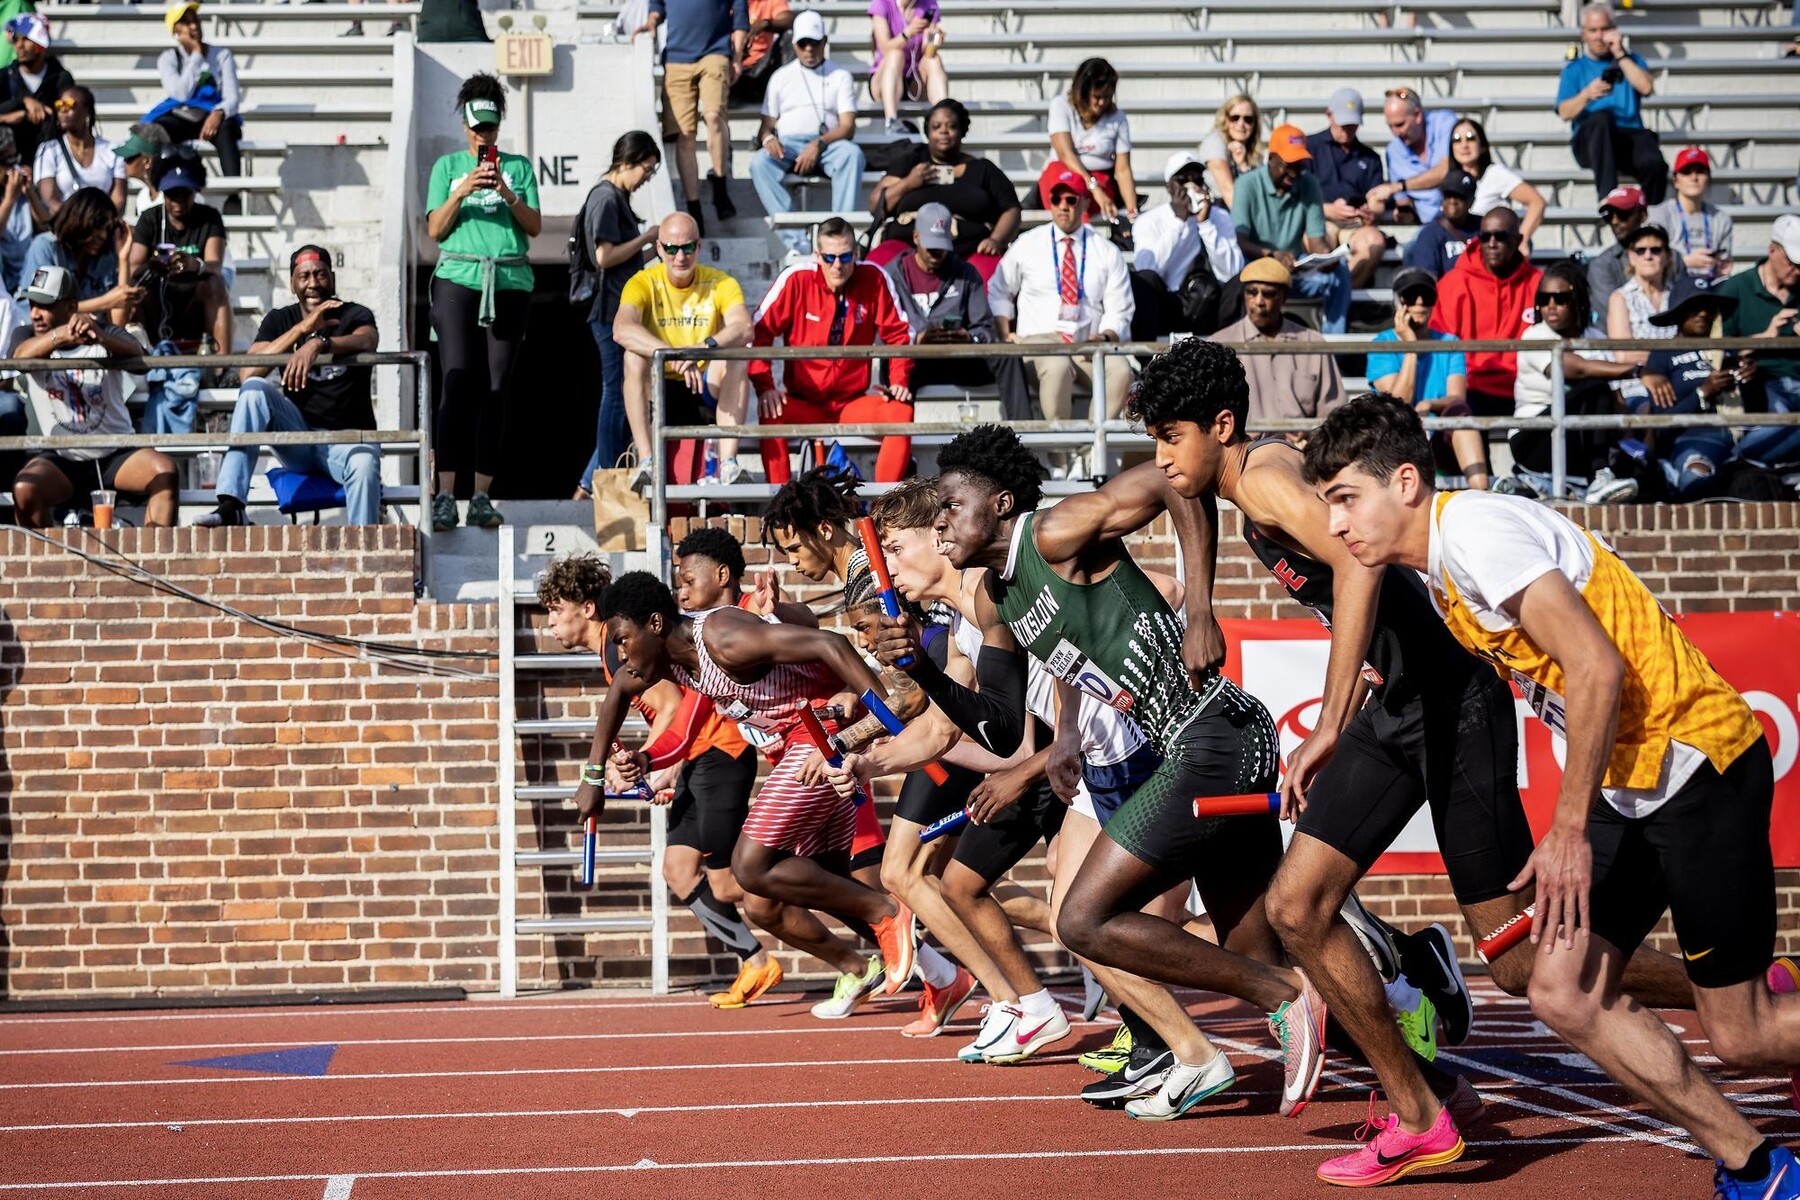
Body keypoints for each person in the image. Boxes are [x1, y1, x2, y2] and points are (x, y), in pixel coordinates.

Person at [1305, 394, 1800, 1200]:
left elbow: (1597, 666)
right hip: (1628, 779)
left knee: (1741, 1035)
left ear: (1403, 482)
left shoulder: (1475, 537)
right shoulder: (1440, 578)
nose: (1335, 526)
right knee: (1559, 987)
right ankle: (1756, 1165)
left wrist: (1566, 827)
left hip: (1694, 762)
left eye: (1344, 499)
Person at [871, 423, 1331, 1122]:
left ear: (999, 502)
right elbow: (997, 725)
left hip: (1217, 734)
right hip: (1185, 750)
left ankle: (1278, 1003)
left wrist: (1201, 607)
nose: (938, 527)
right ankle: (1405, 1034)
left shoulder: (1057, 531)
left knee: (1083, 918)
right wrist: (923, 669)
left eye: (948, 509)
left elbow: (1174, 484)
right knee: (1254, 942)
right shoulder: (1000, 597)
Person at [581, 571, 921, 1006]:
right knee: (828, 875)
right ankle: (941, 972)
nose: (622, 654)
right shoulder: (672, 661)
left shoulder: (723, 637)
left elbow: (830, 644)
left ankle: (888, 912)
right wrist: (595, 778)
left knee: (750, 866)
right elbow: (617, 696)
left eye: (625, 639)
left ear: (656, 624)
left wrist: (884, 720)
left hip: (820, 733)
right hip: (802, 740)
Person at [542, 544, 781, 1011]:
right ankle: (754, 960)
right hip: (695, 756)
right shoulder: (616, 653)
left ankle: (849, 928)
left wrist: (658, 764)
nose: (550, 623)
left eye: (556, 611)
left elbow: (676, 703)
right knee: (678, 870)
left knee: (733, 884)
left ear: (588, 609)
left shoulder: (620, 648)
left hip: (717, 747)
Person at [194, 245, 382, 528]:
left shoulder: (354, 314)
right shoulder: (280, 319)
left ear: (332, 278)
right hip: (300, 440)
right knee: (255, 389)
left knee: (365, 463)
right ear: (293, 283)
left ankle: (366, 553)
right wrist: (301, 330)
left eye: (320, 275)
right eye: (304, 276)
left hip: (347, 442)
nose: (313, 283)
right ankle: (231, 504)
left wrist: (320, 344)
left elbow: (368, 340)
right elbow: (248, 373)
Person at [424, 73, 540, 532]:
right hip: (459, 275)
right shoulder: (447, 167)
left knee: (496, 390)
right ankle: (444, 495)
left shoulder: (520, 168)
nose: (481, 137)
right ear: (464, 125)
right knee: (457, 382)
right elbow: (434, 230)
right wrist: (464, 189)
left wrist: (506, 192)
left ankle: (481, 495)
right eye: (475, 128)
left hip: (509, 278)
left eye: (489, 129)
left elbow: (533, 226)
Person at [10, 264, 178, 529]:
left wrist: (99, 337)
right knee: (25, 488)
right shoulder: (26, 336)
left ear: (71, 307)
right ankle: (46, 567)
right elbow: (17, 359)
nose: (35, 314)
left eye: (45, 306)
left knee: (165, 472)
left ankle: (152, 560)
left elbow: (141, 361)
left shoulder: (105, 331)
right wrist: (60, 335)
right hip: (62, 459)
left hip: (115, 454)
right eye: (31, 304)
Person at [750, 217, 915, 484]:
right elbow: (759, 330)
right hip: (804, 401)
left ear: (856, 253)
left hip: (851, 401)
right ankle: (782, 507)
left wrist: (898, 381)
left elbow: (898, 333)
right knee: (770, 412)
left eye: (845, 256)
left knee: (902, 413)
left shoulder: (873, 277)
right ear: (817, 255)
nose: (837, 265)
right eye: (829, 257)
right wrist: (765, 386)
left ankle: (883, 509)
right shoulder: (797, 279)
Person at [988, 167, 1133, 453]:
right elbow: (999, 289)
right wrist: (1006, 332)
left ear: (1083, 202)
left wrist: (1105, 336)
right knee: (1056, 366)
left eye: (1071, 200)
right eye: (1057, 200)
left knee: (1121, 371)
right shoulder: (1028, 243)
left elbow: (1120, 306)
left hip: (1087, 343)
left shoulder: (1105, 250)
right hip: (1040, 341)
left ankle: (1092, 452)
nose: (1063, 207)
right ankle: (1060, 455)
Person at [613, 211, 753, 487]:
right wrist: (672, 354)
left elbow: (744, 327)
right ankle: (647, 460)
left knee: (737, 357)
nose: (680, 257)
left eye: (688, 247)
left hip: (702, 384)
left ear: (698, 246)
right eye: (672, 248)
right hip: (658, 386)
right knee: (633, 357)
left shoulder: (720, 282)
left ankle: (728, 463)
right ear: (658, 248)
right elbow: (621, 329)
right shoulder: (642, 282)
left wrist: (699, 350)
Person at [570, 131, 661, 497]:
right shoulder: (606, 198)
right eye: (647, 170)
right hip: (608, 309)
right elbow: (605, 257)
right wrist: (647, 236)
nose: (646, 179)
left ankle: (588, 483)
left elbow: (626, 261)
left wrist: (660, 249)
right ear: (629, 161)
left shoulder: (616, 197)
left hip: (617, 305)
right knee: (617, 393)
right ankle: (606, 475)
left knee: (630, 396)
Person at [1509, 259, 1646, 501]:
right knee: (1594, 385)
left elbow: (1616, 398)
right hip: (1533, 437)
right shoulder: (1534, 335)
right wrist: (1637, 371)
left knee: (1643, 470)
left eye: (1560, 299)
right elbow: (1575, 369)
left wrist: (1630, 444)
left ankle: (1600, 477)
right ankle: (1598, 476)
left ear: (1578, 301)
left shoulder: (1595, 337)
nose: (1550, 306)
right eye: (1543, 299)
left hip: (1576, 438)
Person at [749, 10, 865, 257]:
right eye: (803, 43)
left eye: (814, 42)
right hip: (789, 146)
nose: (809, 49)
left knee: (851, 155)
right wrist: (769, 139)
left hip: (828, 146)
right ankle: (797, 242)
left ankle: (839, 235)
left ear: (825, 42)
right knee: (760, 163)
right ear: (795, 44)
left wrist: (818, 144)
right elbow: (765, 127)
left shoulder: (840, 75)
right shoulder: (781, 77)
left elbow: (847, 126)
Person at [867, 98, 1021, 282]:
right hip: (906, 245)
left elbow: (1011, 209)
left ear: (962, 131)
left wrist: (996, 240)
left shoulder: (983, 169)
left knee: (991, 273)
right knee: (876, 267)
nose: (943, 131)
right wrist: (909, 182)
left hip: (968, 249)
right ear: (928, 132)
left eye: (952, 126)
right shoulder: (910, 162)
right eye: (936, 126)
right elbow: (875, 204)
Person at [1368, 266, 1488, 489]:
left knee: (1460, 413)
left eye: (1427, 297)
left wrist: (1428, 403)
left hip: (1439, 435)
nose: (1420, 303)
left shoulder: (1449, 342)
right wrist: (1411, 348)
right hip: (1398, 435)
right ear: (1399, 303)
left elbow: (1457, 397)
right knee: (1396, 419)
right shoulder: (1381, 344)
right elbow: (1397, 401)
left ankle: (1482, 491)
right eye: (1412, 297)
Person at [1231, 124, 1351, 335]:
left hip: (1294, 269)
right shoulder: (1246, 184)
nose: (1294, 171)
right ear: (1272, 158)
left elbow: (1317, 241)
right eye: (1289, 164)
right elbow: (1240, 240)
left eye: (1300, 164)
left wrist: (1326, 258)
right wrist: (1272, 256)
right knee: (1238, 270)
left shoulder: (1309, 184)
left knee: (1339, 273)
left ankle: (1334, 348)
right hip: (1255, 267)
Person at [638, 0, 746, 232]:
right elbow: (656, 7)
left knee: (714, 116)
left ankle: (720, 184)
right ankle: (694, 205)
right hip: (677, 58)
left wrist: (736, 57)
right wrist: (651, 23)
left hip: (715, 52)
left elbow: (740, 16)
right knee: (684, 134)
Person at [1638, 274, 1743, 500]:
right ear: (1678, 313)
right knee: (1696, 474)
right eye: (1694, 308)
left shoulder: (1728, 349)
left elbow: (1751, 403)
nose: (1703, 313)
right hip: (1689, 439)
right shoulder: (1661, 355)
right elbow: (1661, 425)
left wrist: (1749, 377)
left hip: (1733, 435)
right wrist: (1703, 393)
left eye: (1708, 307)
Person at [1209, 258, 1343, 434]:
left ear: (1284, 296)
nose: (1258, 301)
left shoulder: (1313, 343)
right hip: (1244, 455)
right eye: (1251, 292)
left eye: (1268, 294)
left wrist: (1311, 436)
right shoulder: (1219, 346)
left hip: (1301, 453)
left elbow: (1334, 413)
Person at [1429, 205, 1541, 416]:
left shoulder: (1538, 284)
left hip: (1524, 387)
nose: (1491, 243)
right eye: (1485, 236)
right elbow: (1438, 344)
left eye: (1500, 236)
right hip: (1469, 386)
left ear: (1518, 240)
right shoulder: (1452, 284)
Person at [1557, 1, 1665, 205]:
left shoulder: (1631, 60)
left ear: (1614, 31)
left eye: (1605, 29)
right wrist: (1586, 94)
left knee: (1654, 162)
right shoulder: (1574, 69)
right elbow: (1564, 112)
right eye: (1593, 30)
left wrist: (1620, 54)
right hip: (1591, 142)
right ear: (1584, 34)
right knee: (1601, 118)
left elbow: (1646, 88)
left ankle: (1651, 219)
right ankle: (1608, 201)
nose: (1599, 36)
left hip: (1628, 136)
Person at [881, 201, 997, 390]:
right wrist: (916, 339)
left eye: (941, 246)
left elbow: (985, 330)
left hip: (957, 359)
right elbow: (881, 335)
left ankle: (1019, 419)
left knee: (1008, 360)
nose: (936, 253)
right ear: (916, 238)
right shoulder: (891, 276)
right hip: (912, 359)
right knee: (896, 368)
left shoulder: (966, 274)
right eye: (931, 246)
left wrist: (968, 337)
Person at [1128, 150, 1243, 339]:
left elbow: (1233, 270)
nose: (1191, 187)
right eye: (1182, 180)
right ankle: (1146, 359)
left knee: (1244, 280)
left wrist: (1205, 224)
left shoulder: (1219, 217)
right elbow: (1147, 270)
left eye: (1197, 180)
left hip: (1210, 303)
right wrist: (1179, 222)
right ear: (1169, 186)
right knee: (1143, 281)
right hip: (1169, 303)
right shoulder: (1150, 220)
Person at [1718, 213, 1800, 472]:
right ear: (1772, 251)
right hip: (1761, 381)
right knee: (1780, 420)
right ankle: (1738, 459)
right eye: (1792, 262)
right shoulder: (1736, 288)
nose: (1798, 270)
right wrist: (1767, 336)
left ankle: (1750, 462)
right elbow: (1717, 352)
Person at [144, 2, 245, 182]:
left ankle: (234, 193)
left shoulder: (222, 55)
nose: (193, 26)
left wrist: (218, 112)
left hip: (213, 117)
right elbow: (180, 94)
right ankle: (159, 187)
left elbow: (233, 98)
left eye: (195, 20)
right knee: (157, 130)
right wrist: (197, 55)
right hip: (184, 117)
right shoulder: (168, 58)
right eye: (186, 22)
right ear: (175, 31)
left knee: (227, 128)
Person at [1303, 89, 1388, 288]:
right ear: (1329, 115)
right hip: (1321, 219)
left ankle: (1340, 294)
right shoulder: (1310, 148)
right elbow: (1298, 195)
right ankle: (1334, 295)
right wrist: (1328, 209)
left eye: (1352, 124)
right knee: (1320, 245)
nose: (1348, 129)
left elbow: (1377, 200)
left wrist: (1370, 212)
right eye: (1343, 123)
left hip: (1356, 224)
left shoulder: (1370, 157)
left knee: (1374, 243)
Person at [18, 187, 139, 324]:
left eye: (108, 228)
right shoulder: (45, 247)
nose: (102, 236)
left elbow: (118, 323)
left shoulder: (105, 257)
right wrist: (104, 302)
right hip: (44, 336)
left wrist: (124, 258)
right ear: (79, 218)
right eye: (98, 225)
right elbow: (42, 310)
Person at [1045, 58, 1135, 224]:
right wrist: (1093, 188)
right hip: (1065, 177)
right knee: (1071, 196)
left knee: (1079, 199)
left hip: (1101, 181)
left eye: (1107, 97)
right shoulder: (1061, 105)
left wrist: (1132, 211)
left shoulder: (1118, 118)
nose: (1102, 102)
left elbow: (1123, 170)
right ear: (1083, 91)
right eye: (1097, 96)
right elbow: (1065, 154)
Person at [1588, 184, 1685, 315]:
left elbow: (1683, 304)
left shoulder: (1673, 256)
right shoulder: (1601, 265)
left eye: (1622, 214)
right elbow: (1612, 315)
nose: (1615, 221)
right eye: (1609, 215)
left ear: (1643, 215)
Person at [1448, 116, 1546, 247]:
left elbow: (1537, 202)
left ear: (1482, 146)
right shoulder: (1448, 179)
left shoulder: (1495, 174)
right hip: (1459, 249)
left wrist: (1521, 241)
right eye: (1457, 140)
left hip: (1494, 250)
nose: (1464, 145)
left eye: (1470, 138)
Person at [33, 86, 127, 219]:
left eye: (70, 105)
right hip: (65, 228)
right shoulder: (48, 150)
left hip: (103, 228)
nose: (63, 110)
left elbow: (119, 199)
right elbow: (49, 202)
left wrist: (98, 223)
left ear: (87, 111)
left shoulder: (112, 150)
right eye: (59, 105)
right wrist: (78, 223)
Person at [1366, 86, 1454, 224]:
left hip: (1463, 221)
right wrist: (1401, 211)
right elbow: (1404, 203)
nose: (1395, 132)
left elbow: (1445, 171)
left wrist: (1397, 187)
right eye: (1390, 126)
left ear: (1418, 115)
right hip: (1431, 227)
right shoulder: (1394, 151)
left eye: (1400, 124)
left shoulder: (1444, 123)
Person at [0, 14, 72, 168]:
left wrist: (48, 114)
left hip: (50, 163)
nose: (19, 45)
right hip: (8, 167)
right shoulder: (5, 76)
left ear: (41, 43)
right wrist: (23, 103)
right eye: (16, 39)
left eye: (26, 39)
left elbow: (70, 114)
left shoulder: (60, 77)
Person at [1651, 147, 1732, 281]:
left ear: (1708, 178)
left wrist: (1721, 266)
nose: (1694, 177)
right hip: (1670, 287)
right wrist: (1686, 262)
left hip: (1709, 287)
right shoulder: (1659, 214)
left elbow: (1724, 267)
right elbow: (1650, 262)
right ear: (1675, 180)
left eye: (1700, 172)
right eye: (1687, 172)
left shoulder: (1722, 218)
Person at [867, 0, 946, 139]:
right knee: (896, 54)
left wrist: (933, 42)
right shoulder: (881, 3)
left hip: (914, 80)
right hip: (885, 78)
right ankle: (891, 121)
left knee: (934, 59)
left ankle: (944, 120)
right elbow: (885, 47)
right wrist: (908, 32)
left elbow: (926, 53)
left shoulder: (929, 4)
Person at [1605, 221, 1676, 370]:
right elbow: (1623, 356)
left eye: (1655, 250)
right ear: (1631, 257)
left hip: (1677, 378)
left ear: (1668, 256)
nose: (1648, 256)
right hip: (1637, 380)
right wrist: (1672, 357)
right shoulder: (1620, 298)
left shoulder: (1678, 295)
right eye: (1640, 250)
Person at [1401, 168, 1480, 279]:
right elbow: (1428, 279)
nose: (1452, 201)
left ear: (1471, 200)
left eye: (1460, 196)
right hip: (1448, 293)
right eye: (1448, 195)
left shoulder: (1484, 228)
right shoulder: (1429, 234)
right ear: (1442, 199)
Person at [1197, 93, 1262, 213]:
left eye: (1248, 119)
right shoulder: (1214, 144)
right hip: (1217, 213)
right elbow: (1229, 194)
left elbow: (1258, 192)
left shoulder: (1253, 150)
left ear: (1255, 124)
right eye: (1235, 118)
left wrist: (1243, 165)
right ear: (1225, 119)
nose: (1241, 124)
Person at [730, 0, 793, 104]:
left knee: (790, 36)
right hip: (730, 66)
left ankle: (786, 98)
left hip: (762, 67)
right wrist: (737, 50)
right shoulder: (723, 3)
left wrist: (766, 24)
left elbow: (788, 19)